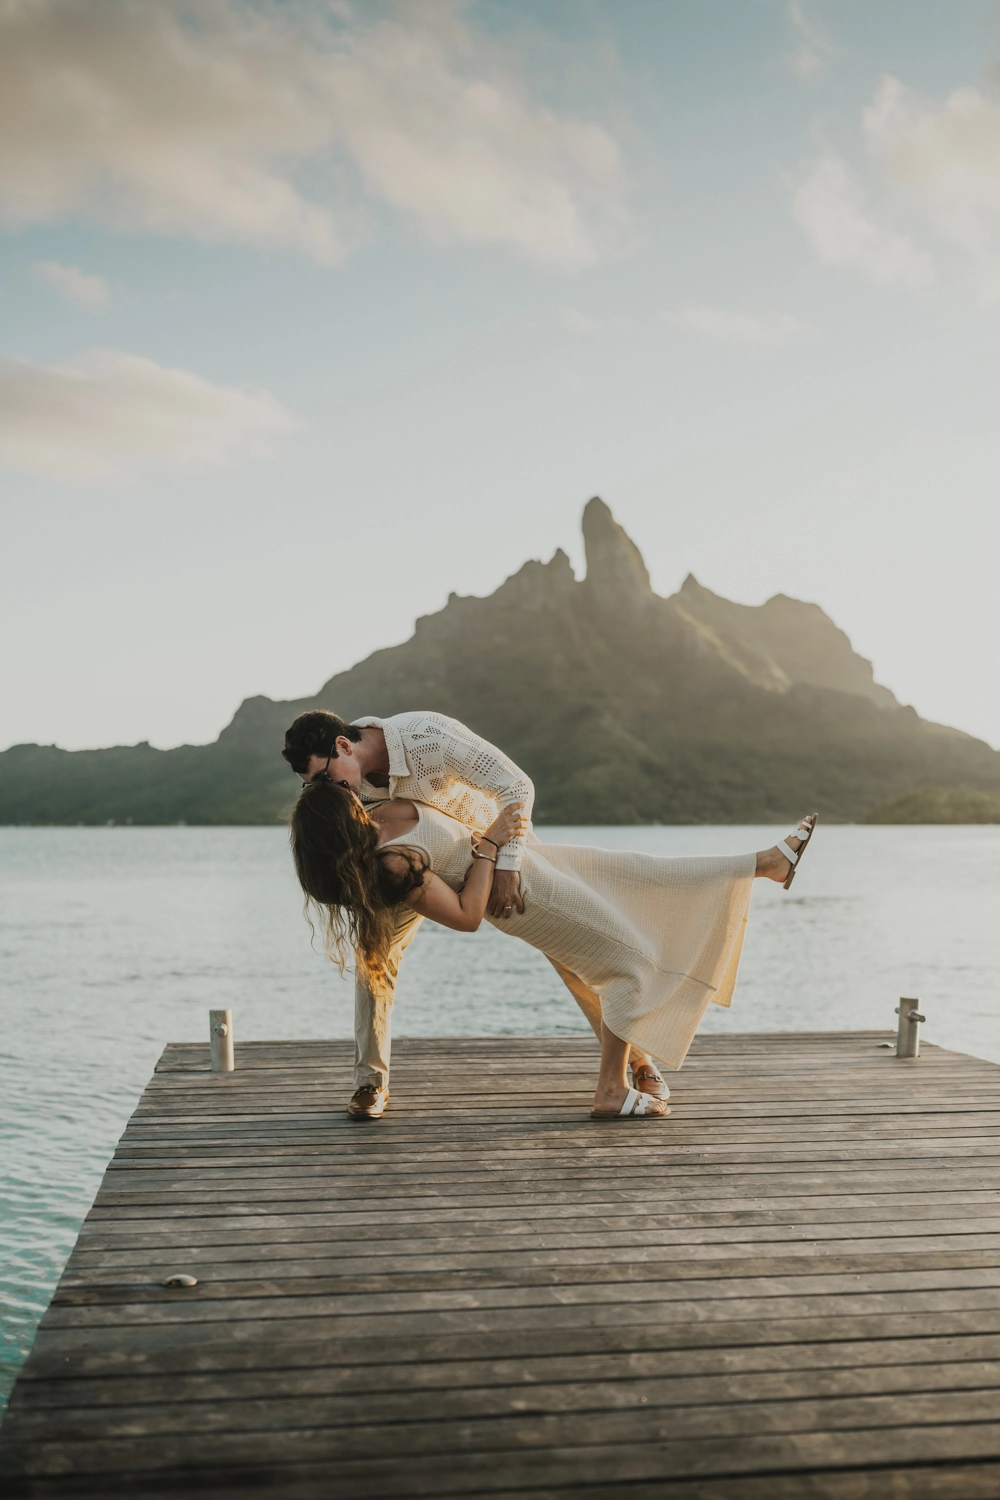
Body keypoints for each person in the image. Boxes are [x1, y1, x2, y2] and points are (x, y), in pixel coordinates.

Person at [288, 774, 818, 1120]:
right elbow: (468, 915)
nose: (355, 798)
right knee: (628, 965)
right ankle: (611, 1089)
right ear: (341, 823)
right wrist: (490, 845)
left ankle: (764, 863)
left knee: (645, 873)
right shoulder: (391, 865)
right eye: (347, 801)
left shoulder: (383, 812)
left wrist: (501, 836)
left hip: (534, 863)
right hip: (528, 897)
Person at [281, 710, 670, 1116]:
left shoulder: (426, 735)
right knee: (374, 955)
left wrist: (506, 864)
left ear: (343, 746)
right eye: (314, 784)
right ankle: (370, 1082)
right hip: (414, 869)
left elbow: (516, 785)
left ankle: (636, 1058)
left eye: (324, 777)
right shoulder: (346, 792)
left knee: (570, 950)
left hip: (493, 853)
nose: (327, 789)